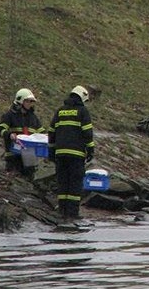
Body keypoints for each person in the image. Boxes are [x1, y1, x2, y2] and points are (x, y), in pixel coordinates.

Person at [48, 85, 96, 221]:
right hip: (76, 155)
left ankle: (62, 211)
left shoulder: (60, 111)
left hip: (60, 154)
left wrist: (51, 151)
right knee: (75, 183)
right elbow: (87, 133)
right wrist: (90, 149)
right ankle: (72, 213)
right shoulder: (82, 112)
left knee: (63, 182)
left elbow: (51, 132)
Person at [0, 88, 45, 181]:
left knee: (28, 181)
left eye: (31, 102)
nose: (30, 104)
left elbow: (41, 133)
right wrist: (9, 134)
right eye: (28, 101)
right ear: (20, 101)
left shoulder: (33, 118)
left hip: (29, 156)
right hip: (13, 156)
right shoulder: (9, 116)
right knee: (13, 181)